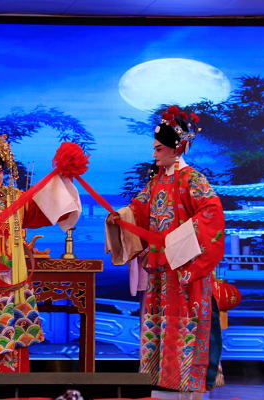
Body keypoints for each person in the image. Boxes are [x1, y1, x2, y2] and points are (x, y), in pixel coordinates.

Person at [0, 129, 81, 398]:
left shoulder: (14, 199)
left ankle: (15, 388)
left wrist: (60, 179)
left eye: (0, 171)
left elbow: (41, 213)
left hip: (15, 282)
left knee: (15, 334)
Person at [106, 106, 225, 398]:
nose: (154, 154)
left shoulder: (193, 179)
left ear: (176, 148)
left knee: (186, 323)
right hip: (161, 270)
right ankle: (161, 380)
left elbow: (212, 214)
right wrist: (122, 217)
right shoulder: (157, 181)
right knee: (158, 322)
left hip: (185, 269)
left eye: (159, 149)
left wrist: (178, 241)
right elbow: (139, 208)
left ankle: (189, 381)